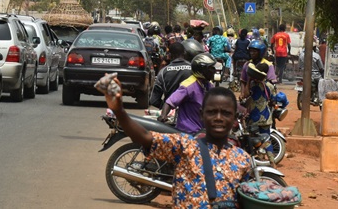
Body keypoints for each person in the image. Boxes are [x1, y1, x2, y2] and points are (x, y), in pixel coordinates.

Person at [105, 80, 252, 209]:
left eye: (226, 113)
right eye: (212, 112)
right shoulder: (185, 145)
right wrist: (119, 111)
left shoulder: (243, 160)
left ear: (234, 118)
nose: (218, 118)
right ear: (202, 114)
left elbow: (245, 199)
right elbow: (145, 137)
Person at [159, 53, 218, 135]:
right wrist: (163, 116)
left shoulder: (208, 84)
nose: (214, 70)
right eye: (211, 68)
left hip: (203, 131)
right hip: (188, 132)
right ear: (202, 69)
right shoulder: (188, 85)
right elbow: (169, 102)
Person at [241, 39, 277, 159]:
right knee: (264, 137)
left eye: (254, 51)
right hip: (261, 113)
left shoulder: (269, 65)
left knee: (254, 136)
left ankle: (258, 159)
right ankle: (269, 160)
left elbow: (272, 84)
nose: (252, 53)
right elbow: (243, 81)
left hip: (255, 111)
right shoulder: (247, 65)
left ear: (261, 52)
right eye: (250, 51)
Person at [149, 40, 193, 109]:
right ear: (184, 53)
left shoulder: (163, 72)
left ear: (170, 55)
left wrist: (166, 108)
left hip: (169, 112)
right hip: (189, 112)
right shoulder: (193, 69)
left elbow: (154, 100)